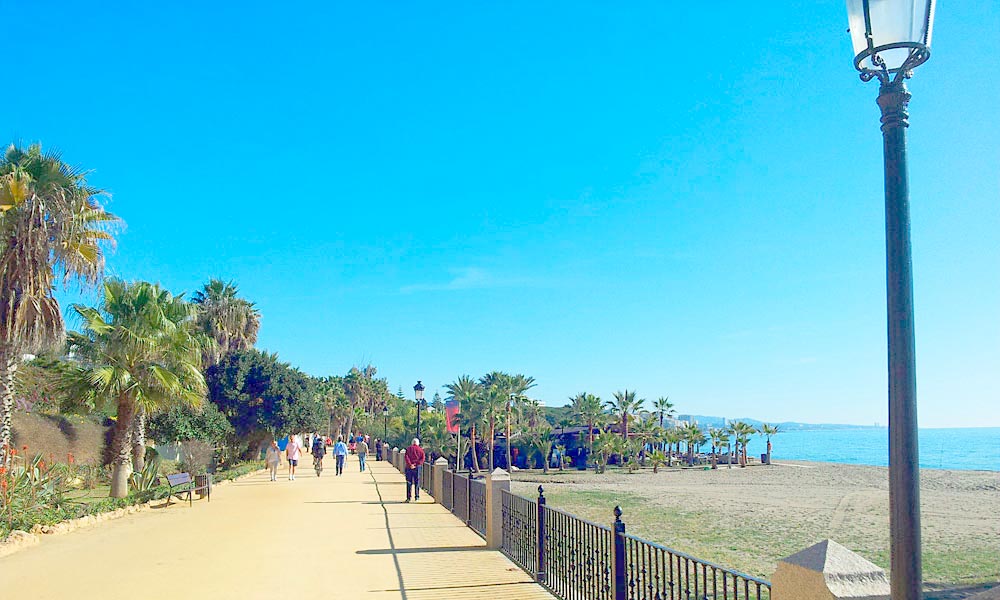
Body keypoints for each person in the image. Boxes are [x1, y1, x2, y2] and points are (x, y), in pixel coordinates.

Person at [404, 438, 425, 503]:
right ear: (418, 443)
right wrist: (416, 464)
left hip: (409, 468)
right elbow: (422, 458)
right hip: (417, 468)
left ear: (412, 442)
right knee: (417, 482)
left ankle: (408, 497)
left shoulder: (408, 449)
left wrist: (410, 464)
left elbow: (406, 457)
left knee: (409, 482)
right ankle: (417, 497)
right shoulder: (420, 450)